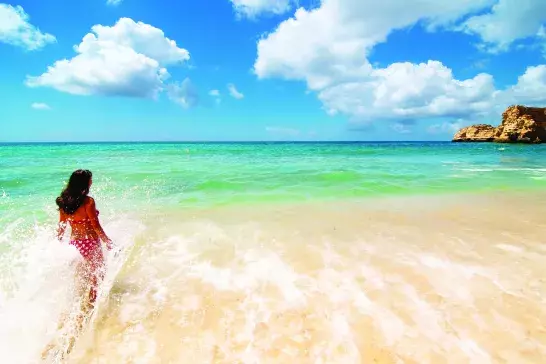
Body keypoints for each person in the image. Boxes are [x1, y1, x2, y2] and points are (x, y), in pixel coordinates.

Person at [56, 169, 113, 304]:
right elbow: (95, 226)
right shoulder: (88, 202)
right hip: (90, 242)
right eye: (90, 179)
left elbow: (62, 226)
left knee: (82, 275)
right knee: (98, 274)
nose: (91, 181)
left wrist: (57, 243)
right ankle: (91, 305)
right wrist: (108, 242)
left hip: (74, 244)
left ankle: (77, 304)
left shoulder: (64, 202)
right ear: (84, 183)